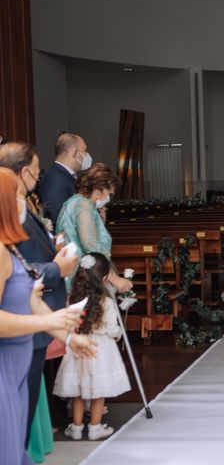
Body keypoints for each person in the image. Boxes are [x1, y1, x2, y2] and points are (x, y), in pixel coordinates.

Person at [0, 167, 87, 465]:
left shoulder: (10, 248)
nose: (23, 201)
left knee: (15, 445)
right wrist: (48, 322)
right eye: (16, 195)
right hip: (4, 366)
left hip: (17, 365)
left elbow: (30, 295)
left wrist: (68, 337)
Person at [54, 252, 131, 440]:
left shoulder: (72, 299)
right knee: (99, 391)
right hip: (100, 351)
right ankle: (95, 427)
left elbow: (67, 324)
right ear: (105, 279)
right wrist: (118, 335)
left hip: (77, 349)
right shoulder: (106, 302)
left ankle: (77, 427)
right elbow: (112, 329)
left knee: (78, 391)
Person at [56, 163, 132, 293]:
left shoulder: (74, 202)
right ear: (98, 190)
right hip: (85, 278)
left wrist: (100, 223)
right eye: (109, 193)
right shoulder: (84, 206)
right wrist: (114, 279)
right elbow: (91, 247)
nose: (109, 198)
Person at [39, 133, 91, 228]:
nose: (87, 155)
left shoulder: (66, 176)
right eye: (85, 151)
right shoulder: (55, 180)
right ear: (75, 153)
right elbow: (58, 219)